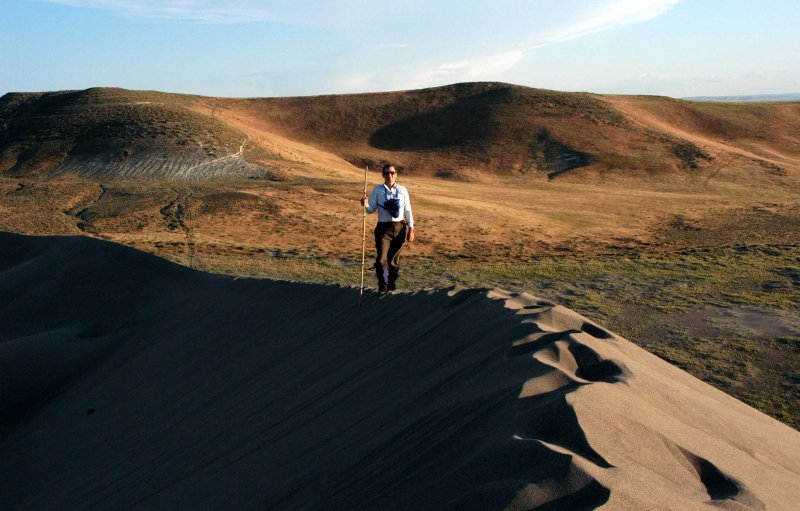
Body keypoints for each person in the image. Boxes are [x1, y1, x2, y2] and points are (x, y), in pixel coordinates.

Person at [360, 163, 415, 293]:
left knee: (394, 260)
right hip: (383, 228)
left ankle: (392, 285)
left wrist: (411, 228)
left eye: (392, 173)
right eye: (386, 173)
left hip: (400, 227)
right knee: (381, 259)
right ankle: (382, 285)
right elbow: (371, 209)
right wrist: (365, 204)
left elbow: (408, 210)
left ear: (396, 174)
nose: (389, 175)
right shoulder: (378, 190)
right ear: (383, 175)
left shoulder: (403, 190)